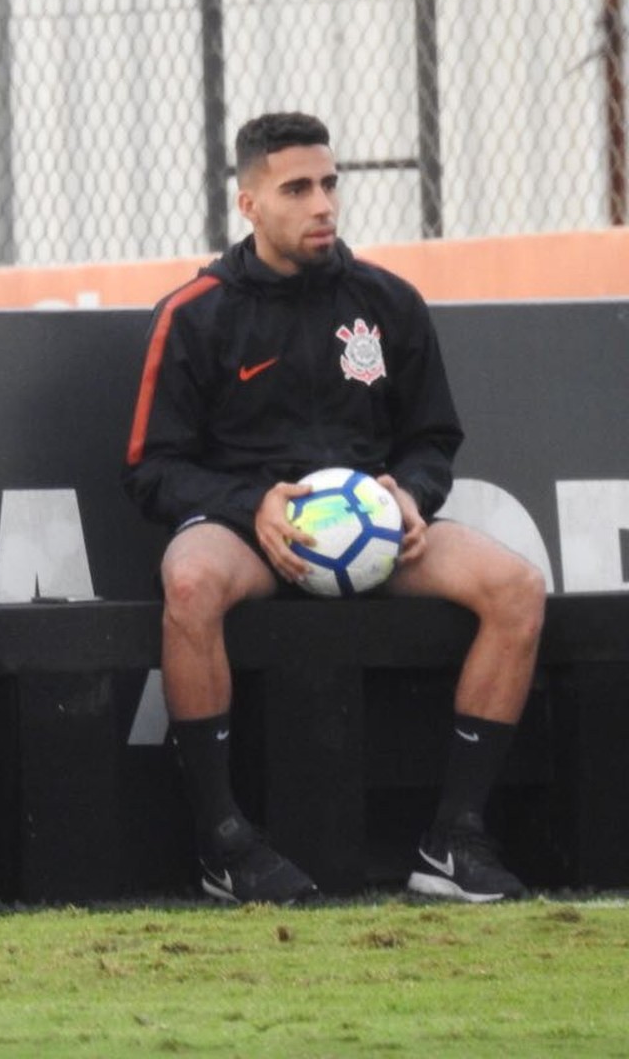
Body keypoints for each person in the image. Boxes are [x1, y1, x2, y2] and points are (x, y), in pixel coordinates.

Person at [123, 111, 545, 904]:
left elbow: (432, 437)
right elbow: (150, 471)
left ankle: (452, 839)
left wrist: (409, 495)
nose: (322, 204)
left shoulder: (387, 302)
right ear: (249, 205)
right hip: (250, 535)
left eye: (329, 184)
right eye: (297, 189)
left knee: (517, 588)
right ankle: (223, 842)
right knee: (188, 584)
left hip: (375, 539)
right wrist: (253, 505)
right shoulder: (195, 314)